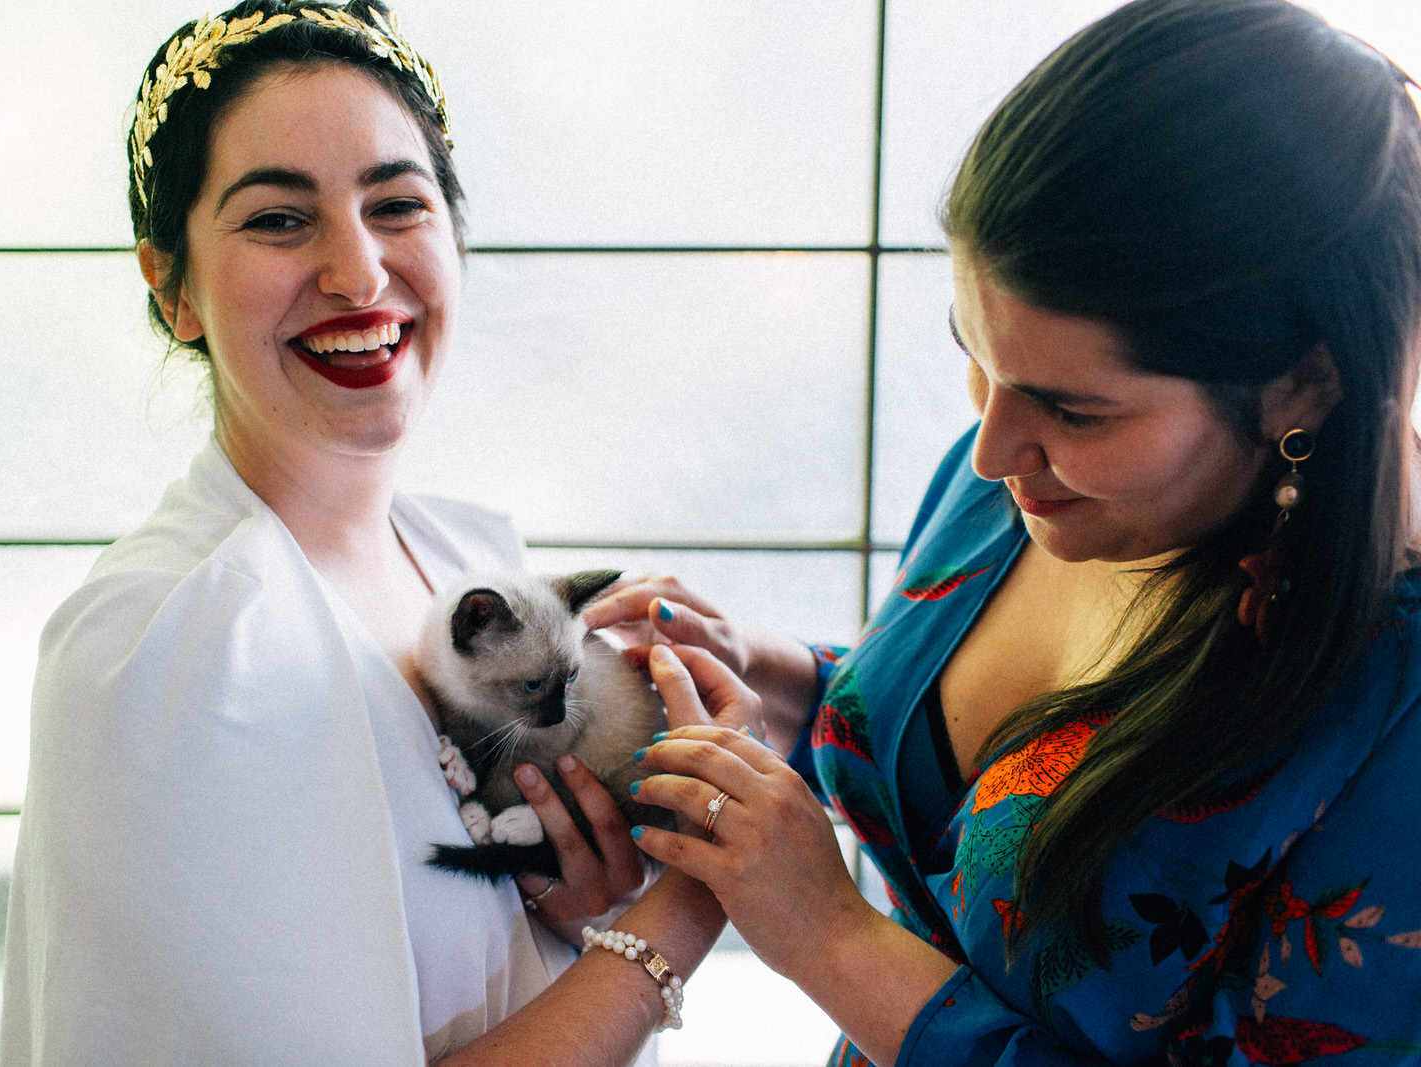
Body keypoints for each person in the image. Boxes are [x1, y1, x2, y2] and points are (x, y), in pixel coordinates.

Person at [587, 0, 1421, 1061]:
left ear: (1304, 382)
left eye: (1075, 408)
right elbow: (977, 773)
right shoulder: (1025, 480)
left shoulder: (1396, 707)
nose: (989, 447)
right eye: (970, 351)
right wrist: (776, 674)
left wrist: (830, 934)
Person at [0, 3, 737, 1063]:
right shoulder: (169, 648)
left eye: (396, 203)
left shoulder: (460, 564)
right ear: (172, 287)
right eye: (278, 220)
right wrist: (695, 898)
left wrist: (590, 894)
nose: (357, 273)